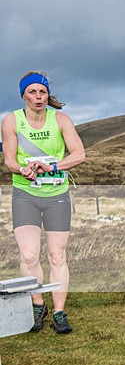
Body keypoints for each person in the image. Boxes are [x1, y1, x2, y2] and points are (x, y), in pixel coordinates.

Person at [2, 72, 86, 334]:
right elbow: (10, 160)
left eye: (42, 92)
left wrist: (51, 166)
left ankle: (59, 312)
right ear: (23, 95)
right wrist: (22, 170)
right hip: (25, 194)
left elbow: (79, 154)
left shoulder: (60, 119)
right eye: (33, 92)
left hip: (56, 196)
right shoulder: (11, 120)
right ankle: (37, 305)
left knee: (57, 255)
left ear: (48, 94)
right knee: (28, 255)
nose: (39, 97)